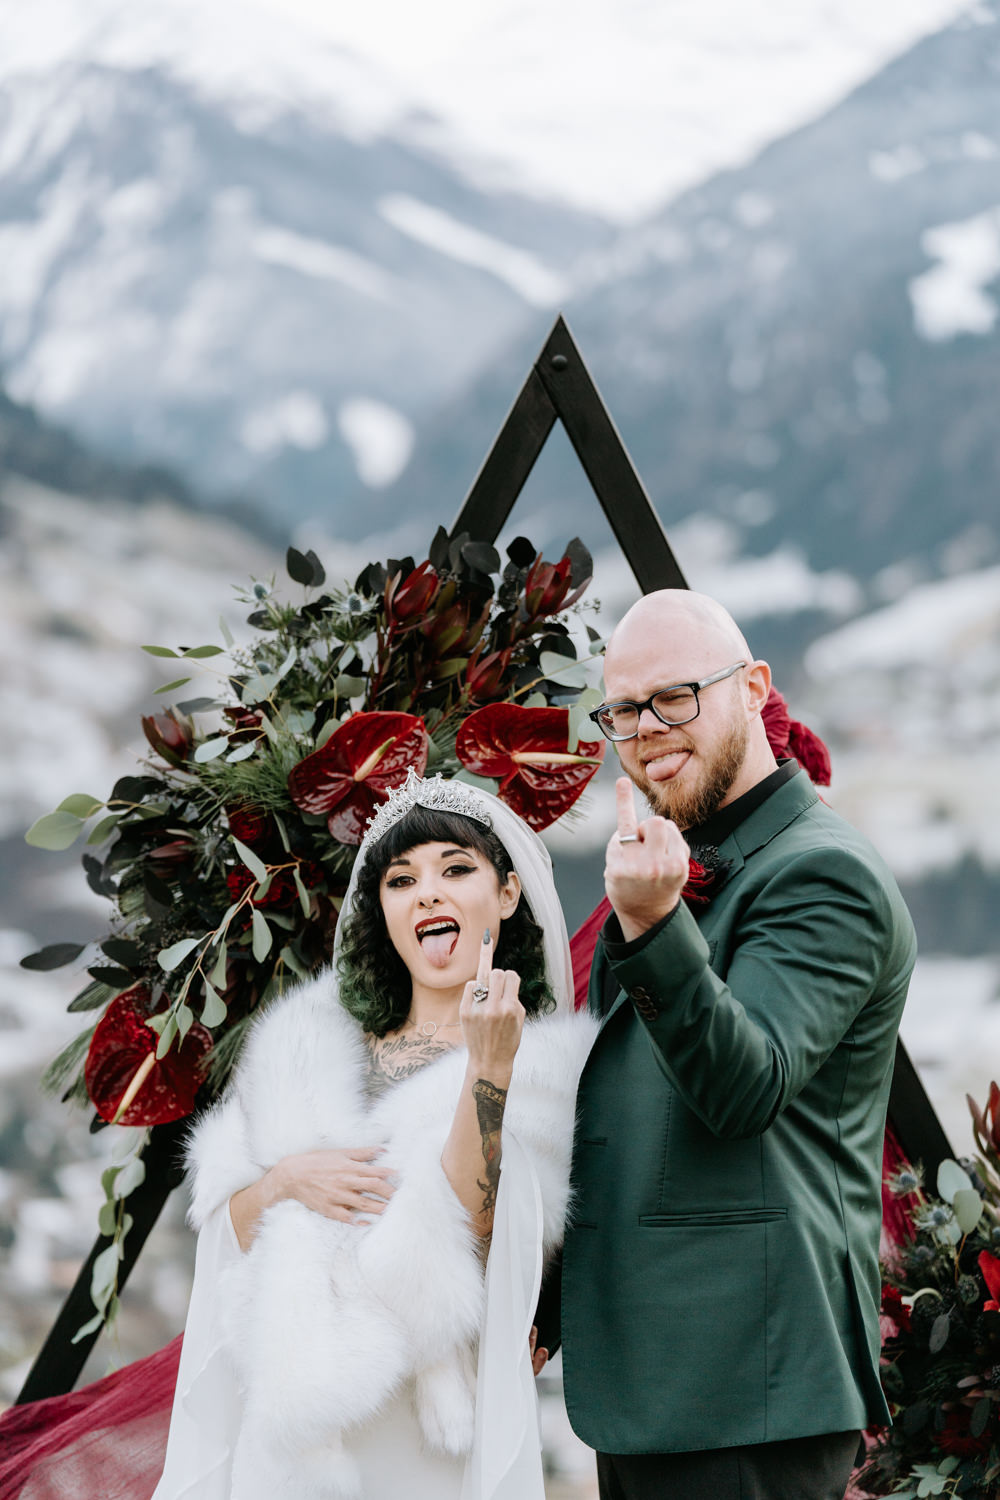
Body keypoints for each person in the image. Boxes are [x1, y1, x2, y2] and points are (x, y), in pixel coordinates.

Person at [557, 589, 916, 1500]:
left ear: (754, 687)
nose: (645, 730)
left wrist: (652, 922)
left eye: (674, 697)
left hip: (749, 1387)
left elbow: (745, 1087)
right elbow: (624, 1116)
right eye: (624, 710)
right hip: (649, 1380)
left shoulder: (824, 873)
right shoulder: (676, 859)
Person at [152, 769, 597, 1500]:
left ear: (508, 894)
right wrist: (282, 1183)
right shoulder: (305, 1049)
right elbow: (223, 1226)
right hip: (292, 1420)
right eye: (401, 879)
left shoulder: (544, 1071)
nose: (427, 892)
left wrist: (487, 1068)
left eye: (456, 869)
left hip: (424, 1437)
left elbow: (482, 1242)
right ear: (383, 908)